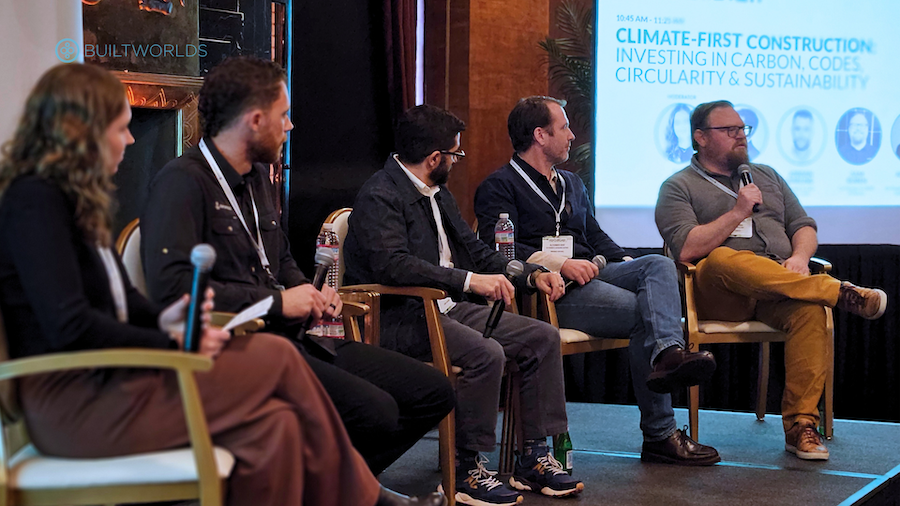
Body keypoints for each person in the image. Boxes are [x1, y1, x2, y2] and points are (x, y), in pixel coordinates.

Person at [0, 63, 444, 506]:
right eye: (121, 128)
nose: (132, 140)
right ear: (81, 132)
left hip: (117, 383)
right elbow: (70, 326)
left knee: (280, 426)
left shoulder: (72, 205)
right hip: (77, 405)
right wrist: (172, 341)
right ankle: (370, 501)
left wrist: (167, 320)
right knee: (276, 358)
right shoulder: (34, 203)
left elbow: (128, 303)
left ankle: (364, 499)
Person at [140, 57, 455, 478]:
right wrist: (277, 302)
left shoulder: (255, 179)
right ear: (254, 120)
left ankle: (329, 489)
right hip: (240, 348)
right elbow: (174, 290)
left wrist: (311, 292)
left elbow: (280, 259)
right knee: (376, 412)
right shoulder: (182, 182)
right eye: (283, 115)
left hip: (297, 337)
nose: (290, 127)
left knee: (433, 391)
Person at [344, 104, 584, 506]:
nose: (456, 162)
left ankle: (535, 456)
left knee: (541, 336)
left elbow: (475, 250)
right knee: (485, 353)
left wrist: (527, 274)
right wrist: (469, 281)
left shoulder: (438, 194)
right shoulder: (380, 195)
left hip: (445, 309)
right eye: (454, 155)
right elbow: (394, 265)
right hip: (399, 317)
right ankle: (467, 468)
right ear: (435, 158)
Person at [475, 96, 720, 466]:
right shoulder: (499, 186)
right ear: (540, 135)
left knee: (657, 266)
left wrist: (626, 264)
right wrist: (561, 264)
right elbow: (502, 252)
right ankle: (660, 434)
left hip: (593, 272)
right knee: (643, 314)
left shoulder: (571, 183)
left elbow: (595, 235)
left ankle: (669, 355)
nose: (572, 135)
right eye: (564, 128)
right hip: (547, 289)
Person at [655, 99, 888, 461]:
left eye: (742, 129)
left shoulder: (767, 175)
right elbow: (685, 248)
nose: (740, 137)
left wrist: (798, 258)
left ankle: (800, 427)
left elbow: (803, 226)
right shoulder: (678, 186)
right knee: (720, 258)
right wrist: (737, 211)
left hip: (779, 286)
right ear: (700, 137)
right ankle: (834, 291)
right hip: (721, 292)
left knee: (809, 312)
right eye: (728, 130)